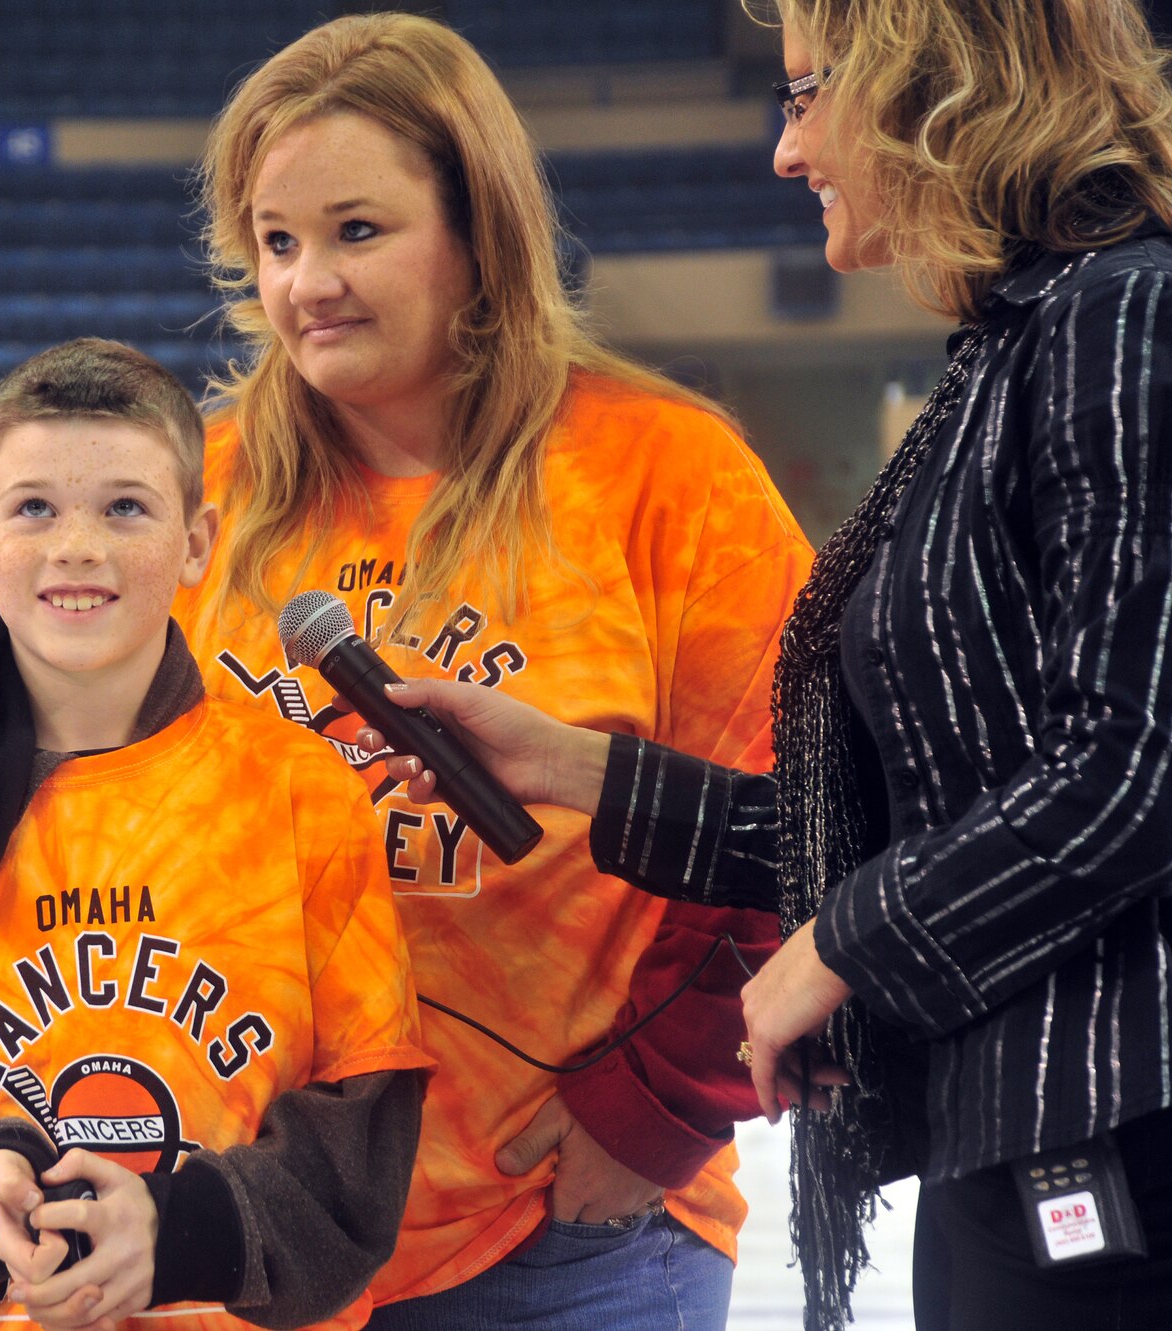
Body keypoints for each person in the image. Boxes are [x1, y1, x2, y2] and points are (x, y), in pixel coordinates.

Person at [357, 2, 1172, 1327]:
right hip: (1023, 1134)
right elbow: (871, 825)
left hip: (1121, 1136)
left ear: (932, 85)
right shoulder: (1013, 347)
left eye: (805, 96)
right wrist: (564, 763)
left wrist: (838, 944)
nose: (787, 153)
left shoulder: (1121, 314)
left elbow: (1136, 767)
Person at [175, 14, 815, 1329]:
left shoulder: (670, 481)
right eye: (277, 241)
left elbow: (801, 827)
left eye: (358, 231)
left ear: (480, 235)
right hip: (250, 1215)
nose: (308, 283)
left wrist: (656, 1109)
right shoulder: (199, 489)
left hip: (565, 1230)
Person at [0, 339, 435, 1331]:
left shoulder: (299, 791)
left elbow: (363, 1129)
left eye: (124, 506)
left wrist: (182, 1231)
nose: (77, 543)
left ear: (198, 540)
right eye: (34, 507)